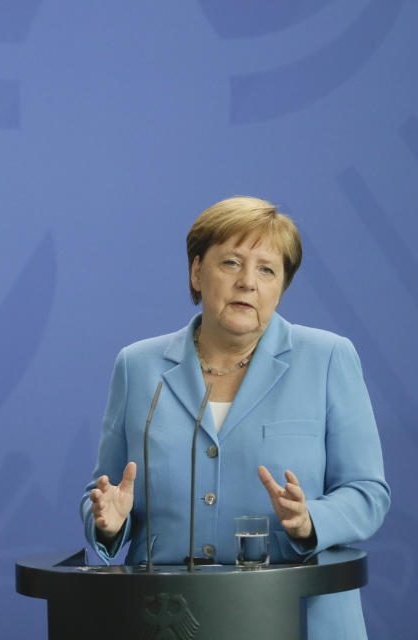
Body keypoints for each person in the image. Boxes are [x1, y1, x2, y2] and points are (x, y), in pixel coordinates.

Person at [80, 197, 390, 639]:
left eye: (267, 269)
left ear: (281, 286)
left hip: (296, 615)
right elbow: (104, 491)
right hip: (168, 620)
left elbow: (368, 492)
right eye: (231, 262)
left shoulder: (326, 358)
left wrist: (311, 520)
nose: (248, 282)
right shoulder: (138, 366)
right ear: (196, 272)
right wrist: (109, 523)